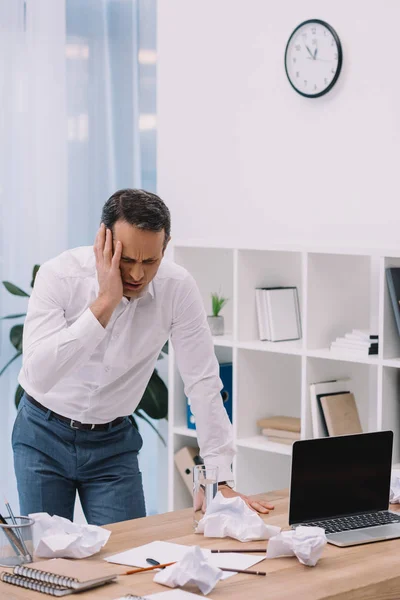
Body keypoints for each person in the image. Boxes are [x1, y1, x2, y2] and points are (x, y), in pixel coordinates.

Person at [12, 189, 274, 525]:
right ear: (103, 242)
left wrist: (218, 478)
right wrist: (105, 303)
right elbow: (39, 374)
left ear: (164, 248)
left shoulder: (177, 288)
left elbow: (203, 381)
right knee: (47, 559)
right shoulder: (59, 277)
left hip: (112, 444)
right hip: (42, 434)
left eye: (150, 261)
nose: (137, 275)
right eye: (127, 260)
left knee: (127, 558)